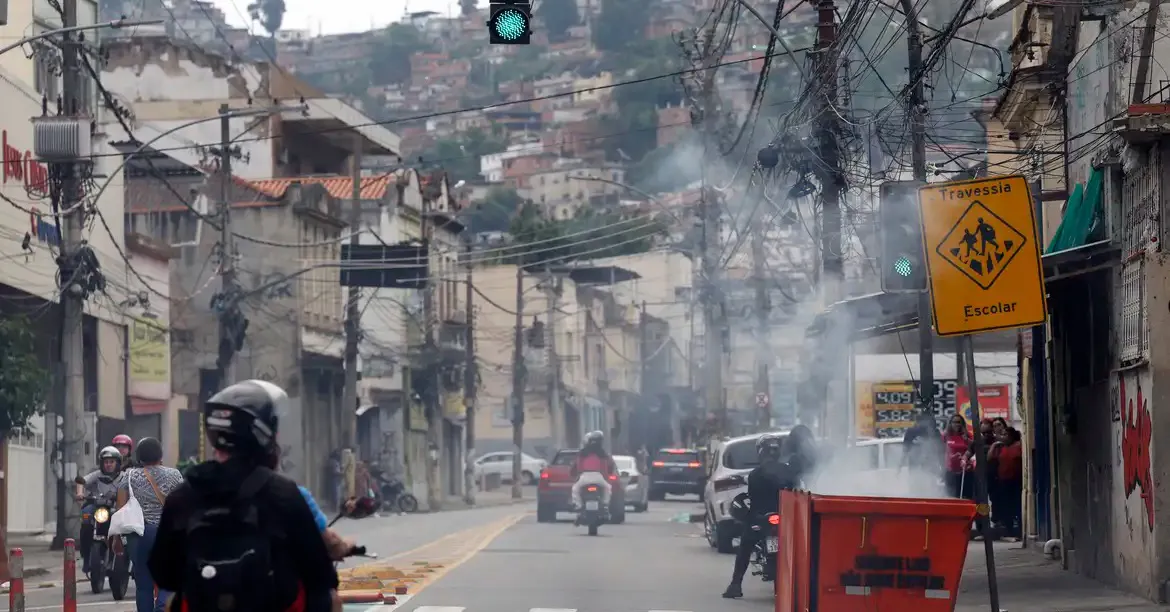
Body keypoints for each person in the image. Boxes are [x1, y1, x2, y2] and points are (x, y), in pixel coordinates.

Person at [149, 380, 338, 612]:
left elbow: (163, 573)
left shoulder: (183, 496)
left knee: (173, 603)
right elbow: (319, 572)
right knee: (328, 597)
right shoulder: (283, 493)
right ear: (264, 434)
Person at [722, 433, 803, 599]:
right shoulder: (788, 471)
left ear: (761, 452)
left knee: (745, 546)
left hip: (761, 520)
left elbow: (753, 499)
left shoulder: (755, 474)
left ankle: (735, 584)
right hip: (786, 520)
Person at [117, 438, 183, 612]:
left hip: (137, 535)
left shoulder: (129, 475)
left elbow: (121, 509)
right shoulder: (174, 475)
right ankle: (161, 608)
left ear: (139, 456)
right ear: (160, 455)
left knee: (143, 584)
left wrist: (117, 539)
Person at [77, 446, 124, 573]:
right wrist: (80, 493)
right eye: (106, 462)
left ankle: (122, 558)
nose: (108, 465)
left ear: (118, 463)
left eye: (111, 462)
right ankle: (86, 557)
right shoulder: (97, 475)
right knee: (86, 516)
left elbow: (132, 488)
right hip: (97, 506)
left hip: (115, 508)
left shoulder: (124, 477)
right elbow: (81, 481)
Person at [570, 430, 617, 519]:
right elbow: (610, 465)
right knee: (608, 489)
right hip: (599, 477)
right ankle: (605, 505)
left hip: (584, 477)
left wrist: (573, 475)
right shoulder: (603, 454)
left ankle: (579, 506)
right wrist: (609, 473)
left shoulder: (582, 454)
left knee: (575, 489)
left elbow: (575, 466)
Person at [943, 415, 973, 499]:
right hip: (950, 471)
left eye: (959, 422)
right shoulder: (946, 435)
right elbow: (940, 450)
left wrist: (966, 439)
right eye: (954, 422)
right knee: (951, 496)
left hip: (965, 471)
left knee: (966, 496)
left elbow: (974, 447)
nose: (957, 424)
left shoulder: (968, 435)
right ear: (950, 423)